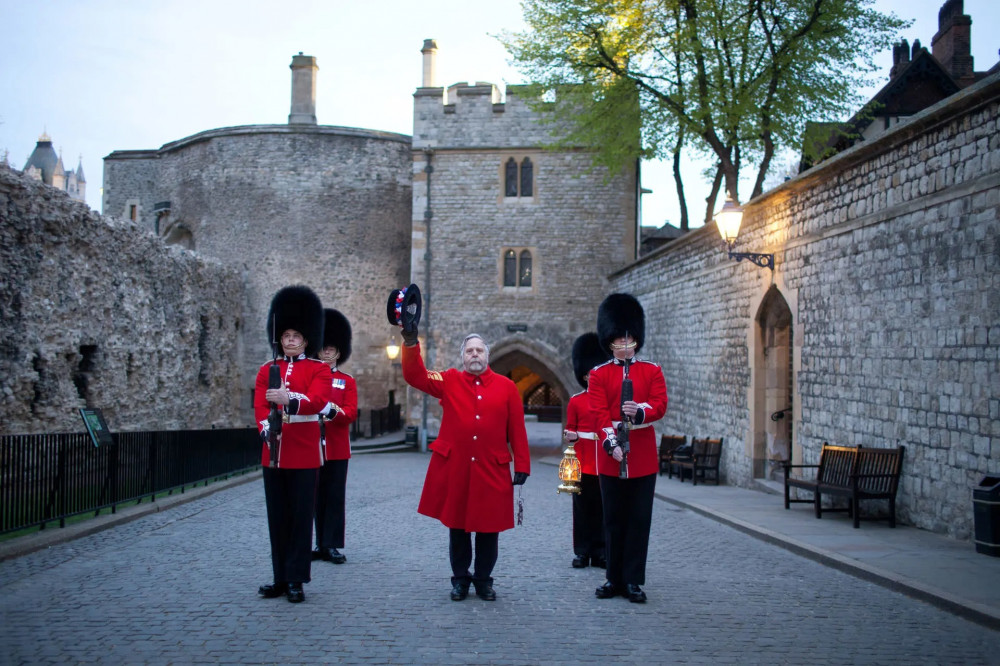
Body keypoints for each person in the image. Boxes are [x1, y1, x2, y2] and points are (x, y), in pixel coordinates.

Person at [390, 285, 531, 601]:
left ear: (488, 356)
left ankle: (483, 580)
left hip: (492, 469)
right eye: (470, 351)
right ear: (463, 357)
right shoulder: (450, 380)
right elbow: (417, 377)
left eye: (480, 350)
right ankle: (459, 579)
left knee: (488, 530)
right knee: (457, 528)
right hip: (457, 468)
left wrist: (522, 463)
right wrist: (410, 342)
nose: (475, 355)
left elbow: (517, 429)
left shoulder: (507, 388)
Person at [254, 285, 332, 604]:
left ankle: (297, 578)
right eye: (285, 335)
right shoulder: (265, 370)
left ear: (305, 339)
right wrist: (266, 428)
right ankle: (280, 578)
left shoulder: (319, 369)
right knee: (278, 518)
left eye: (295, 336)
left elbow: (318, 401)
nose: (289, 340)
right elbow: (260, 405)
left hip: (303, 453)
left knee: (301, 519)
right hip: (273, 454)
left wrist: (290, 400)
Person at [588, 293, 667, 603]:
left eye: (629, 339)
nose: (624, 344)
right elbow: (597, 413)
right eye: (618, 340)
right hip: (611, 459)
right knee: (612, 519)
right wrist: (611, 443)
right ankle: (613, 578)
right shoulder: (598, 374)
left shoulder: (652, 371)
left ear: (636, 339)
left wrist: (641, 411)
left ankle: (633, 580)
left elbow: (660, 404)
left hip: (643, 459)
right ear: (609, 342)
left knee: (638, 521)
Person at [313, 308, 358, 565]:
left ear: (339, 352)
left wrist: (329, 411)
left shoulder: (346, 381)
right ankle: (319, 543)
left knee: (333, 497)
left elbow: (350, 412)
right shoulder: (309, 378)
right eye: (324, 348)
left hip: (336, 447)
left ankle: (331, 544)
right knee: (313, 496)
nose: (327, 352)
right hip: (311, 446)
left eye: (332, 349)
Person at [563, 332, 609, 569]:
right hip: (581, 463)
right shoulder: (576, 401)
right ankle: (582, 551)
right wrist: (570, 435)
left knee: (602, 509)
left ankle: (600, 552)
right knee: (581, 510)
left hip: (603, 461)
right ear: (584, 376)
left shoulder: (609, 402)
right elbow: (569, 429)